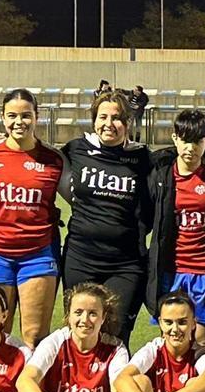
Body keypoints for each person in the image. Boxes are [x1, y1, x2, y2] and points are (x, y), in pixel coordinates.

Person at [0, 89, 67, 348]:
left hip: (38, 254)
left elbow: (78, 198)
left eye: (26, 116)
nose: (19, 122)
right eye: (12, 116)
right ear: (2, 118)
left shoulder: (54, 159)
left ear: (36, 118)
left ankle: (30, 388)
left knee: (35, 336)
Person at [60, 90, 153, 344]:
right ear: (93, 120)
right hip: (80, 259)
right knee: (78, 332)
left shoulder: (143, 158)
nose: (109, 124)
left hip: (125, 264)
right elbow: (42, 163)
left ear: (128, 122)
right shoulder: (76, 149)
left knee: (115, 334)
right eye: (103, 117)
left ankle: (115, 385)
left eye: (117, 118)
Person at [147, 109, 205, 350]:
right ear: (175, 138)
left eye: (197, 141)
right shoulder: (160, 174)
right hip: (172, 271)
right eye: (185, 140)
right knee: (172, 343)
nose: (191, 148)